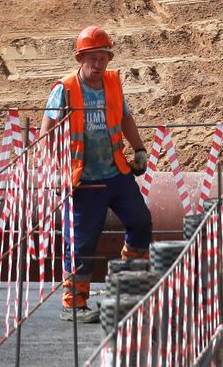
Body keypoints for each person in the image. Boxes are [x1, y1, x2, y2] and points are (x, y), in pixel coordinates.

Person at [42, 26, 152, 323]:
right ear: (81, 58)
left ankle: (127, 282)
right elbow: (47, 130)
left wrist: (139, 149)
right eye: (91, 58)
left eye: (102, 58)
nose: (98, 64)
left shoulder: (114, 83)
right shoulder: (65, 88)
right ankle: (73, 305)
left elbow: (126, 117)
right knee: (81, 243)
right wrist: (54, 170)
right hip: (84, 179)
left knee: (141, 221)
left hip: (116, 172)